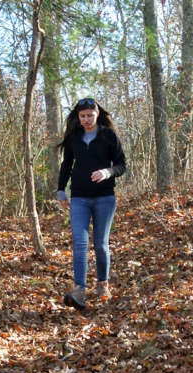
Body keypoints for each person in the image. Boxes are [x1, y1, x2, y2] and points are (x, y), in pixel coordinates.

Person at [56, 97, 126, 308]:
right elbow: (66, 165)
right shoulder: (74, 138)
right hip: (79, 198)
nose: (86, 119)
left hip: (105, 197)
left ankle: (103, 285)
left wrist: (107, 172)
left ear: (97, 114)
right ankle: (79, 291)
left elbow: (122, 165)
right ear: (78, 117)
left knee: (101, 244)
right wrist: (61, 190)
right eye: (82, 116)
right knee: (79, 243)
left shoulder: (109, 136)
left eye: (90, 115)